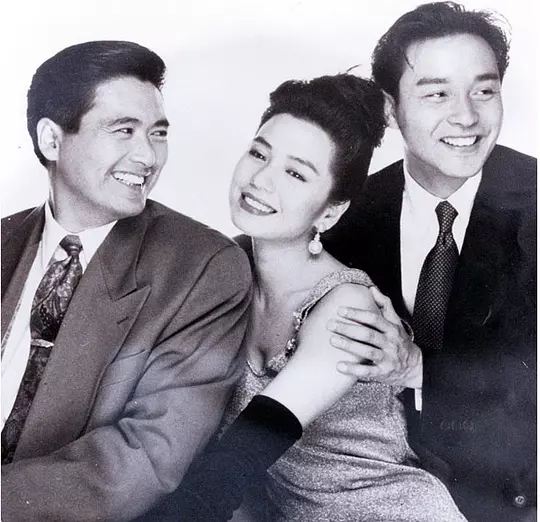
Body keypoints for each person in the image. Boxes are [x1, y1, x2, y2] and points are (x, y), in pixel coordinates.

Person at [140, 74, 467, 521]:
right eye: (259, 153)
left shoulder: (347, 306)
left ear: (331, 212)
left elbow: (239, 459)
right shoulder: (222, 272)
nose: (261, 180)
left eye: (295, 173)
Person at [1, 41, 252, 521]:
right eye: (123, 131)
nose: (148, 156)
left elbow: (147, 457)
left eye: (158, 134)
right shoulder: (4, 242)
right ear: (52, 140)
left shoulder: (202, 268)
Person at [324, 3, 536, 521]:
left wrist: (420, 368)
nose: (466, 117)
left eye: (484, 91)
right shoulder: (346, 213)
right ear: (389, 109)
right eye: (437, 94)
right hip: (374, 495)